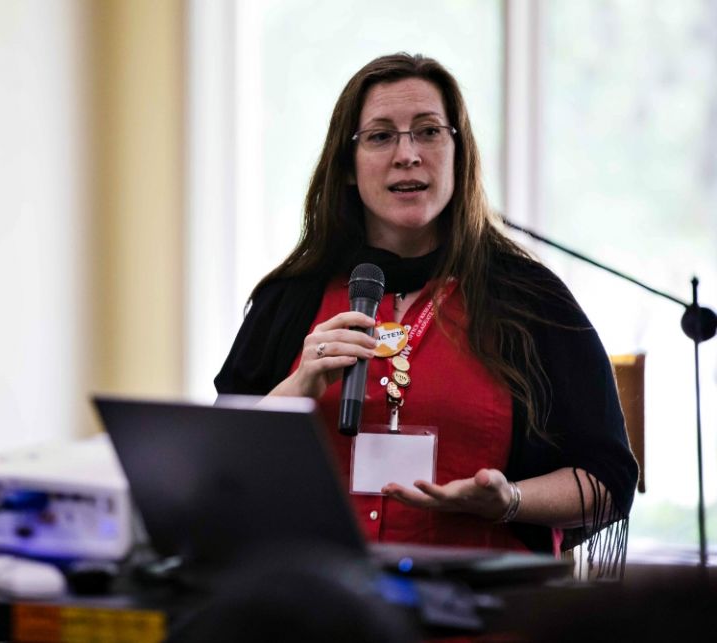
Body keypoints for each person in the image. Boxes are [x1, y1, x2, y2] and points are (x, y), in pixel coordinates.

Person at [215, 53, 638, 576]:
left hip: (484, 606)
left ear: (458, 153)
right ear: (346, 166)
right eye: (379, 136)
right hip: (318, 604)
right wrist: (298, 386)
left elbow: (607, 480)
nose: (407, 154)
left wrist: (508, 499)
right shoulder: (291, 297)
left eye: (428, 131)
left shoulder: (531, 298)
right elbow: (218, 471)